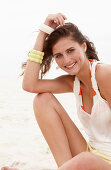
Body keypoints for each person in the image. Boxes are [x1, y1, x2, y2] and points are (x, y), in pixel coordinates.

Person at [2, 13, 111, 170]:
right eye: (58, 55)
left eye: (70, 50)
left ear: (84, 46)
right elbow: (29, 85)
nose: (66, 60)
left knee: (86, 160)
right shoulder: (72, 83)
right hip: (91, 154)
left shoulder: (104, 74)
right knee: (42, 100)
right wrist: (43, 31)